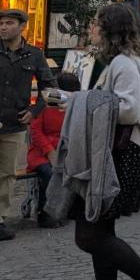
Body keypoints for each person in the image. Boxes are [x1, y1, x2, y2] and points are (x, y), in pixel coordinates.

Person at [65, 3, 140, 280]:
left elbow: (129, 110)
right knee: (102, 233)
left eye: (96, 23)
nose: (91, 28)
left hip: (123, 155)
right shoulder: (123, 61)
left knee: (88, 236)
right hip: (119, 154)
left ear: (109, 29)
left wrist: (84, 102)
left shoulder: (125, 64)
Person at [0, 7, 55, 241]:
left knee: (7, 174)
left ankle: (0, 219)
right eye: (1, 23)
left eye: (9, 23)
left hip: (14, 124)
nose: (3, 27)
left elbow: (48, 88)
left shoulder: (34, 55)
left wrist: (34, 111)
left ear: (22, 27)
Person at [28, 71, 80, 229]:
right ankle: (44, 212)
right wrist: (50, 151)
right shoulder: (43, 105)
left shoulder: (74, 106)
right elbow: (36, 132)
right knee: (49, 173)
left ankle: (66, 209)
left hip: (65, 150)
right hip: (42, 152)